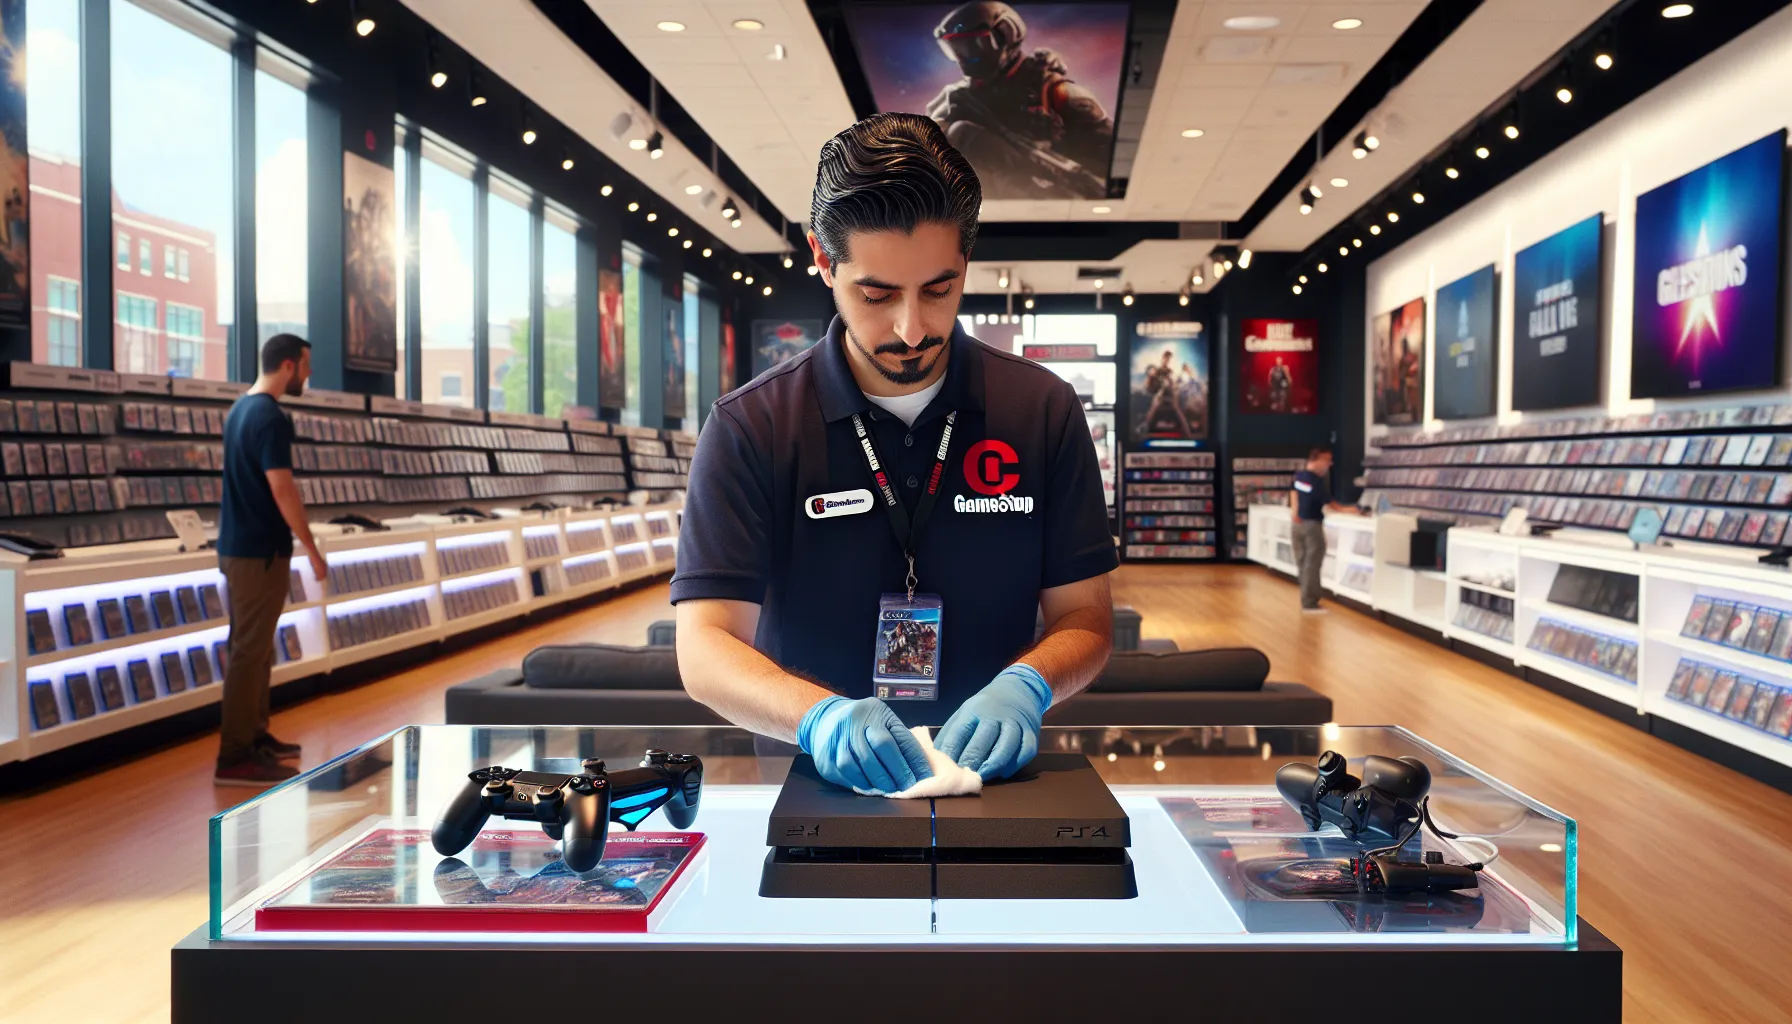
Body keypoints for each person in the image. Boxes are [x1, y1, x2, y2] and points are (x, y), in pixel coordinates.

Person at [672, 112, 1116, 795]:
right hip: (809, 781)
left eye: (938, 289)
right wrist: (818, 718)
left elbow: (1086, 615)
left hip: (992, 783)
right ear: (824, 260)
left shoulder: (1043, 410)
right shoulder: (751, 426)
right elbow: (704, 646)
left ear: (965, 262)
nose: (912, 328)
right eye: (877, 294)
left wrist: (1029, 685)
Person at [213, 333, 328, 786]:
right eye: (305, 364)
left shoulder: (240, 410)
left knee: (254, 650)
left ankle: (255, 737)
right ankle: (235, 755)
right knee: (249, 652)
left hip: (238, 548)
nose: (309, 373)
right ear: (287, 365)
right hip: (259, 551)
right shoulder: (271, 418)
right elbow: (282, 487)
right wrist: (312, 548)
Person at [924, 1, 1114, 199]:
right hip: (989, 202)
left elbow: (1107, 156)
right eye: (955, 48)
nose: (964, 57)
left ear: (1005, 34)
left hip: (1053, 196)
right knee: (961, 133)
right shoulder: (958, 97)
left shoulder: (1053, 90)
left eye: (973, 44)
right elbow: (924, 148)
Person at [1290, 446, 1359, 613]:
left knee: (1303, 562)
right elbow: (1332, 504)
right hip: (1312, 525)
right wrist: (1354, 510)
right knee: (1312, 563)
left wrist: (1294, 510)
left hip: (1297, 524)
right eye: (1327, 460)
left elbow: (1293, 493)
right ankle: (1310, 602)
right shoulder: (1316, 481)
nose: (1330, 464)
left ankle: (1306, 598)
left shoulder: (1299, 477)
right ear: (1318, 460)